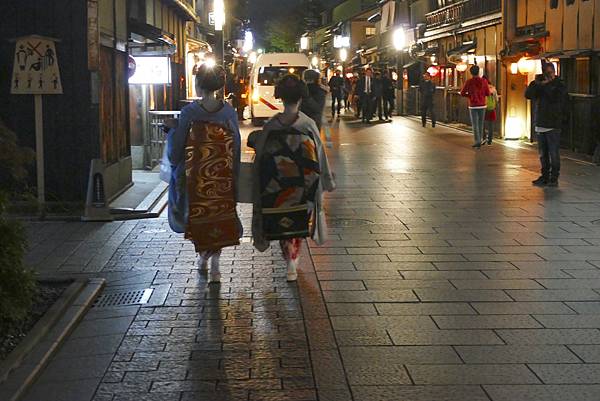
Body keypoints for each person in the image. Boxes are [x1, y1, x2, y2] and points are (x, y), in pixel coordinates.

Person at [250, 74, 336, 281]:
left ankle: (289, 260)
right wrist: (326, 181)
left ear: (280, 98)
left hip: (275, 187)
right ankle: (292, 261)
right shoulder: (307, 124)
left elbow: (260, 156)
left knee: (281, 222)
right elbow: (320, 153)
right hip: (304, 185)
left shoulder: (271, 125)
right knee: (298, 222)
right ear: (301, 98)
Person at [167, 63, 242, 283]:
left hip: (195, 177)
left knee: (198, 217)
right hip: (221, 175)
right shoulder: (228, 112)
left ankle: (203, 259)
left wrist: (172, 130)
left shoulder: (189, 112)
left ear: (198, 84)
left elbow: (177, 147)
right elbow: (235, 144)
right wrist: (232, 172)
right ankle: (216, 265)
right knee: (218, 215)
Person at [525, 62, 567, 187]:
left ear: (554, 72)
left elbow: (555, 98)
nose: (548, 75)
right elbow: (528, 95)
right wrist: (536, 84)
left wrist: (548, 85)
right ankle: (544, 176)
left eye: (550, 72)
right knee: (543, 154)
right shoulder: (540, 84)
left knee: (553, 152)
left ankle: (554, 178)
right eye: (546, 73)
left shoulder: (560, 85)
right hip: (541, 122)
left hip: (554, 124)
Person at [460, 65, 490, 148]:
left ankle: (477, 140)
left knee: (475, 124)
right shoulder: (484, 81)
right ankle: (480, 139)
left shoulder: (469, 82)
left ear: (471, 73)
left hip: (473, 105)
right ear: (478, 72)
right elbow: (487, 93)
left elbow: (462, 93)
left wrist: (469, 95)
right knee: (481, 123)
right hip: (482, 105)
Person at [482, 76, 498, 145]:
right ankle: (490, 140)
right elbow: (496, 99)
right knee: (490, 124)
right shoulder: (493, 88)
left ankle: (484, 137)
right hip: (491, 108)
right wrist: (495, 105)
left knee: (482, 124)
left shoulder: (481, 88)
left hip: (483, 107)